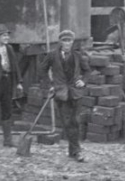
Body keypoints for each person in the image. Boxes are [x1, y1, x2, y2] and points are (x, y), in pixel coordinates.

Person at [40, 29, 90, 162]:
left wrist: (83, 81)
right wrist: (50, 85)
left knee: (75, 121)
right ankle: (73, 150)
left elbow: (87, 71)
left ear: (73, 42)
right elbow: (42, 70)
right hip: (60, 93)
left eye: (69, 41)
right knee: (67, 123)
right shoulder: (52, 55)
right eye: (64, 40)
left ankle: (76, 150)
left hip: (75, 93)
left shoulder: (78, 56)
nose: (67, 43)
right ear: (60, 42)